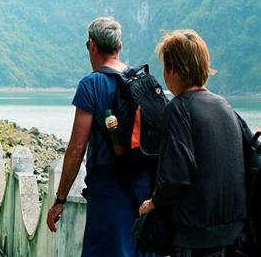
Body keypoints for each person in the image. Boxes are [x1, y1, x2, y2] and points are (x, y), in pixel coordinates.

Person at [46, 17, 151, 256]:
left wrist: (60, 199)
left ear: (92, 45)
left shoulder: (91, 85)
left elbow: (76, 148)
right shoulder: (142, 81)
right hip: (143, 189)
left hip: (108, 188)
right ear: (120, 47)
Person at [138, 30, 247, 255]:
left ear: (173, 69)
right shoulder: (225, 106)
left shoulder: (179, 108)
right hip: (233, 235)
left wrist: (152, 203)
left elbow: (176, 178)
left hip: (195, 237)